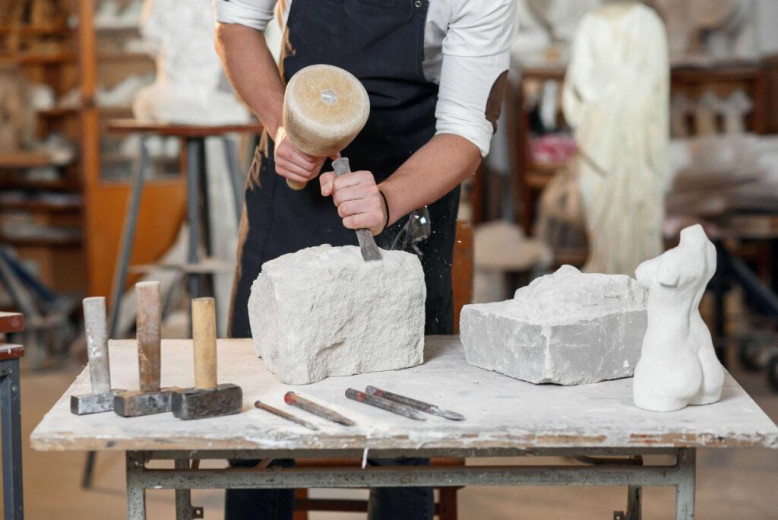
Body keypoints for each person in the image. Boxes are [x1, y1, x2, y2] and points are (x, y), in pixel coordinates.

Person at [214, 0, 516, 518]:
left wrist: (388, 199)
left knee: (404, 401)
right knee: (262, 408)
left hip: (413, 173)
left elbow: (467, 130)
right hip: (293, 182)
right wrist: (287, 128)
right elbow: (237, 25)